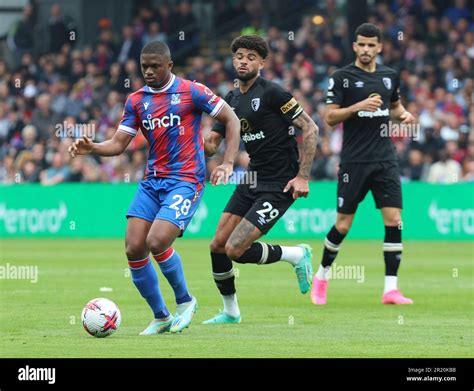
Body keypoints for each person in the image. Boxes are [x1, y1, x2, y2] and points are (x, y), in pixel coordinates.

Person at [69, 41, 240, 334]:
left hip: (186, 179)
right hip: (152, 181)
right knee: (134, 247)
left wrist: (227, 163)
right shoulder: (136, 100)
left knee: (157, 241)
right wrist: (92, 147)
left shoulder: (192, 91)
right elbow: (119, 144)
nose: (148, 71)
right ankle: (161, 316)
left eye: (154, 66)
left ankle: (185, 301)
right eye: (144, 66)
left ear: (169, 65)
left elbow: (231, 119)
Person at [203, 35, 318, 324]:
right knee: (217, 245)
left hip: (280, 183)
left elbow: (311, 128)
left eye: (251, 57)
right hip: (252, 178)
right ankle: (230, 312)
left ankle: (295, 254)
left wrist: (303, 177)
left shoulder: (273, 93)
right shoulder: (230, 99)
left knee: (235, 249)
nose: (244, 60)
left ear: (262, 63)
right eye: (239, 55)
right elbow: (212, 144)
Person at [311, 23, 416, 306]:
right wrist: (358, 106)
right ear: (355, 46)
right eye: (362, 45)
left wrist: (404, 116)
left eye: (372, 45)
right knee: (343, 224)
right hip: (354, 162)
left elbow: (394, 107)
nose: (367, 49)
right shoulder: (341, 77)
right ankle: (321, 276)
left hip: (385, 160)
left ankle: (390, 290)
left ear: (380, 47)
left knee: (394, 220)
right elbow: (330, 118)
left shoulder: (389, 76)